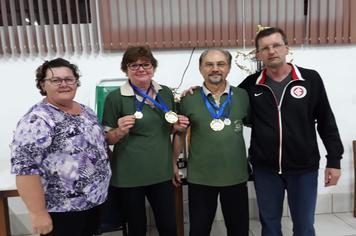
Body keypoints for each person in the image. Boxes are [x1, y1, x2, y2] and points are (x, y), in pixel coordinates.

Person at [238, 27, 344, 236]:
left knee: (304, 227)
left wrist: (334, 160)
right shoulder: (251, 85)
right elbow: (226, 100)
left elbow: (326, 121)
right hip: (265, 170)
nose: (271, 51)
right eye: (265, 48)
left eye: (276, 45)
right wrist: (195, 91)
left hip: (304, 168)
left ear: (287, 48)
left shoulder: (310, 79)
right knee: (269, 226)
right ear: (258, 54)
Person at [10, 58, 111, 236]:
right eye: (56, 80)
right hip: (62, 211)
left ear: (76, 82)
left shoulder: (86, 111)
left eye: (69, 79)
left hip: (93, 203)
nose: (64, 84)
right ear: (43, 85)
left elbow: (97, 147)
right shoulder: (37, 120)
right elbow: (26, 170)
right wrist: (38, 213)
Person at [102, 45, 189, 236]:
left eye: (146, 64)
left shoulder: (165, 93)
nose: (141, 69)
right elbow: (106, 139)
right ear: (125, 69)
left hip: (161, 170)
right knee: (137, 227)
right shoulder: (115, 98)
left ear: (153, 67)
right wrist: (120, 130)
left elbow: (172, 127)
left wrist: (178, 128)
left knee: (168, 225)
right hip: (128, 174)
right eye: (134, 65)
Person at [175, 49, 250, 236]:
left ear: (229, 67)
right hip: (201, 177)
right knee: (199, 230)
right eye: (209, 64)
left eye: (220, 64)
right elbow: (179, 133)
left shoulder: (243, 96)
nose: (215, 69)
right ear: (201, 68)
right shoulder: (188, 98)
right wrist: (172, 163)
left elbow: (258, 125)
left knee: (239, 229)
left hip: (236, 175)